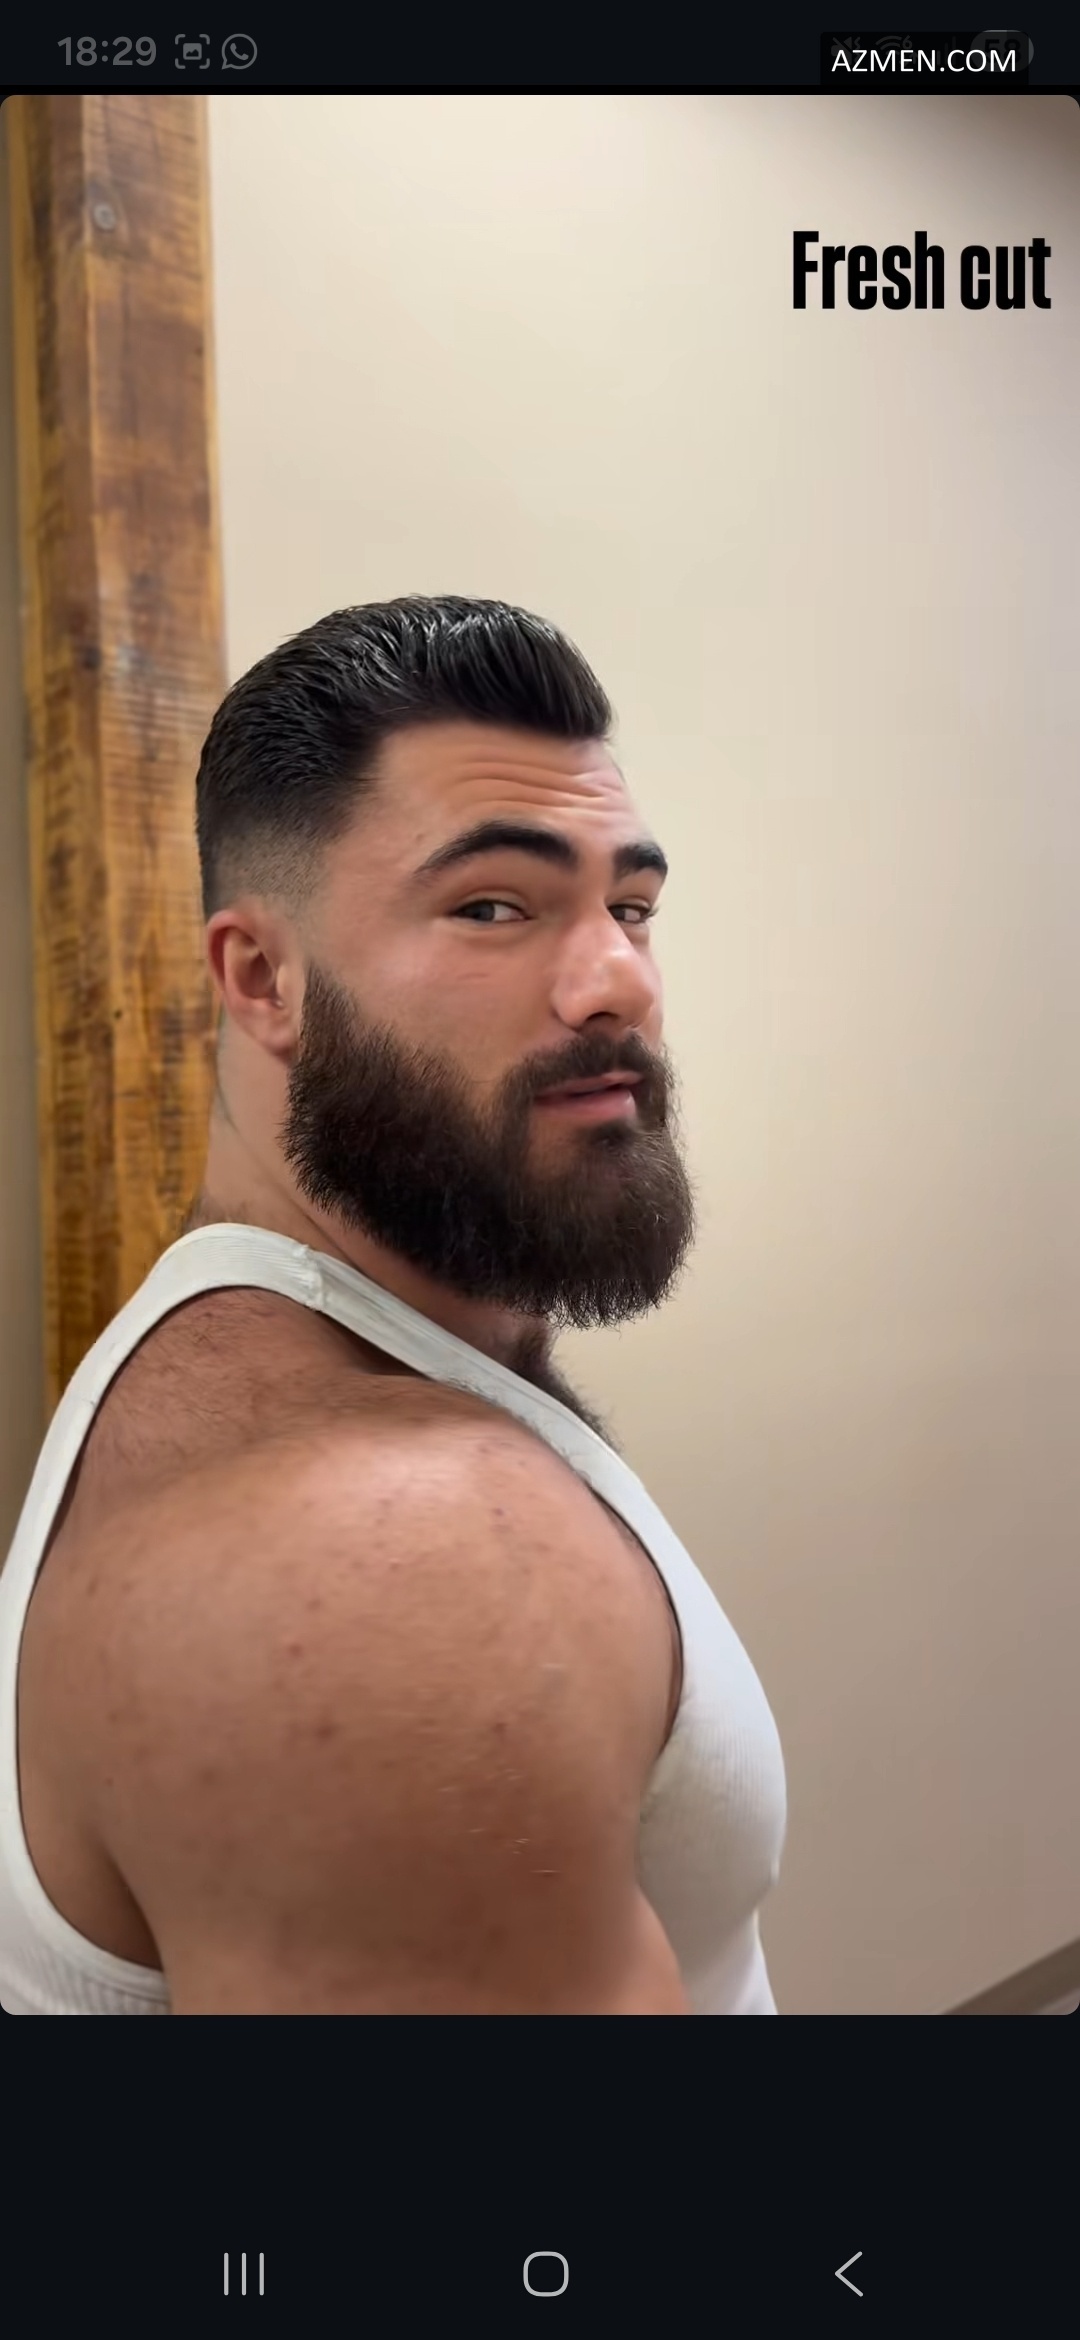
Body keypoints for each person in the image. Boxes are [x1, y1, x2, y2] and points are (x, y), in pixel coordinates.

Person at [0, 595, 786, 2016]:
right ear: (263, 978)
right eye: (494, 906)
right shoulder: (384, 1564)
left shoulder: (288, 1329)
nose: (619, 981)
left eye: (631, 907)